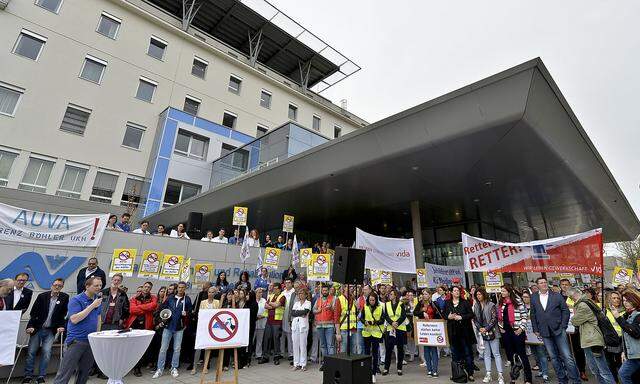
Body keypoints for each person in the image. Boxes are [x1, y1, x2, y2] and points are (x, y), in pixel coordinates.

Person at [530, 277, 581, 384]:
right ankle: (562, 380)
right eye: (541, 283)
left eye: (545, 282)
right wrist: (535, 329)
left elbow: (565, 311)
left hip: (559, 330)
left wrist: (563, 326)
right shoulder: (534, 297)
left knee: (567, 357)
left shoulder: (556, 295)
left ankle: (575, 380)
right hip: (544, 331)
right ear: (537, 285)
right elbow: (533, 314)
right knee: (553, 357)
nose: (543, 284)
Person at [53, 277, 103, 384]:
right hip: (76, 341)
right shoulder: (76, 300)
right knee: (64, 373)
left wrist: (97, 335)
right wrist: (92, 305)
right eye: (96, 285)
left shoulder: (97, 300)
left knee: (84, 373)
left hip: (90, 341)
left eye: (100, 285)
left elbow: (98, 318)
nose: (99, 288)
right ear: (87, 286)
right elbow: (74, 319)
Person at [23, 278, 68, 384]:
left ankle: (41, 376)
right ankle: (28, 376)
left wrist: (61, 326)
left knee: (47, 352)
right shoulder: (42, 296)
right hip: (37, 328)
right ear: (51, 285)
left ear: (62, 287)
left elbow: (63, 314)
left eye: (60, 285)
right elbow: (33, 313)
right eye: (55, 285)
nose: (57, 287)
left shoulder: (64, 297)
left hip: (50, 330)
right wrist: (30, 326)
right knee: (31, 352)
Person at [568, 287, 615, 384]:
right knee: (596, 370)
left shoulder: (582, 305)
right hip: (590, 339)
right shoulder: (587, 301)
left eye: (571, 298)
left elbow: (574, 321)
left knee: (602, 370)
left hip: (593, 339)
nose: (571, 300)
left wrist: (574, 312)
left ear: (573, 296)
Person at [153, 281, 192, 379]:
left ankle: (174, 367)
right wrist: (162, 318)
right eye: (179, 287)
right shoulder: (170, 298)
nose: (181, 289)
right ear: (177, 288)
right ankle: (160, 369)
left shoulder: (187, 299)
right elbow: (162, 309)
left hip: (179, 327)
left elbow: (191, 312)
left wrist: (186, 313)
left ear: (185, 288)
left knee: (177, 349)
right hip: (168, 326)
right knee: (163, 349)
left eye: (183, 287)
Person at [499, 285, 532, 384]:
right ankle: (515, 377)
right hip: (506, 332)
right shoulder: (501, 302)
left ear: (509, 292)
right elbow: (499, 316)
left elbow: (524, 315)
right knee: (511, 355)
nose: (502, 293)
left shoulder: (517, 301)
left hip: (517, 331)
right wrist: (501, 328)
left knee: (522, 355)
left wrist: (521, 328)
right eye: (501, 291)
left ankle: (528, 378)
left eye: (504, 291)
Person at [473, 287, 504, 384]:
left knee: (496, 354)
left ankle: (500, 375)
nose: (478, 296)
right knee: (486, 354)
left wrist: (486, 328)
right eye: (477, 295)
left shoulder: (491, 304)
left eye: (480, 294)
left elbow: (494, 318)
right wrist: (480, 328)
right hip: (482, 333)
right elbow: (475, 319)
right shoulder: (476, 306)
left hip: (493, 332)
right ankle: (488, 374)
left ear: (484, 294)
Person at [126, 281, 157, 377]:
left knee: (141, 348)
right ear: (143, 287)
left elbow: (153, 306)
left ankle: (137, 368)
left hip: (146, 326)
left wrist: (139, 307)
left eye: (148, 287)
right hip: (134, 325)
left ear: (150, 289)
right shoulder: (134, 298)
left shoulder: (153, 298)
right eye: (145, 286)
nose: (146, 288)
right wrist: (145, 308)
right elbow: (132, 310)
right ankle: (132, 366)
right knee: (132, 347)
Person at [445, 285, 476, 381]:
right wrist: (448, 317)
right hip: (453, 332)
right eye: (454, 290)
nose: (456, 292)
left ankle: (470, 373)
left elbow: (471, 314)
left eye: (458, 290)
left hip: (464, 332)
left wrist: (461, 317)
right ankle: (456, 373)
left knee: (467, 353)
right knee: (455, 354)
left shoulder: (465, 302)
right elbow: (444, 314)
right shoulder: (447, 303)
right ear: (451, 292)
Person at [611, 289, 640, 384]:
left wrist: (618, 318)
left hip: (637, 355)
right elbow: (626, 337)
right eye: (623, 301)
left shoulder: (638, 315)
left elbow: (635, 333)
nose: (625, 303)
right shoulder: (627, 315)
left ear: (634, 300)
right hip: (632, 355)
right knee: (631, 376)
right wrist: (624, 351)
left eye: (628, 300)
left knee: (623, 373)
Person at [561, 278, 588, 381]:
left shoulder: (575, 296)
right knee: (566, 351)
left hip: (576, 328)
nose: (564, 286)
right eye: (562, 284)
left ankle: (582, 370)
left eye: (566, 284)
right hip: (564, 327)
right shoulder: (557, 297)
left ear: (570, 285)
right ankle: (570, 371)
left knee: (578, 350)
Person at [522, 289, 550, 382]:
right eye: (523, 297)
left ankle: (545, 372)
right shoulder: (522, 307)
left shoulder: (536, 306)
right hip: (528, 334)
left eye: (526, 297)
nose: (524, 299)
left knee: (541, 353)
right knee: (535, 353)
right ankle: (541, 370)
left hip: (537, 332)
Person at [313, 283, 338, 370]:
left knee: (330, 345)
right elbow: (313, 310)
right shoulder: (318, 299)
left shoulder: (333, 298)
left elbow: (336, 311)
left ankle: (331, 363)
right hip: (320, 326)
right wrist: (317, 310)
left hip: (330, 325)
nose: (324, 292)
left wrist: (331, 307)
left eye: (326, 290)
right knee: (323, 345)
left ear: (328, 291)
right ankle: (325, 362)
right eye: (323, 290)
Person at [260, 283, 286, 365]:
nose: (274, 290)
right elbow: (265, 306)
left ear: (279, 289)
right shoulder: (270, 296)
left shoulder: (282, 297)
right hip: (269, 320)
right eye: (273, 288)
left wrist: (272, 304)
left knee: (276, 339)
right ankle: (265, 357)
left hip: (277, 321)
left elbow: (278, 305)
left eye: (275, 288)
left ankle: (276, 357)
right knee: (266, 338)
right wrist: (273, 305)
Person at [361, 291, 384, 382]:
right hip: (367, 333)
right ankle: (367, 372)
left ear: (376, 300)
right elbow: (361, 317)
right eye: (370, 300)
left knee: (375, 354)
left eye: (373, 300)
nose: (371, 301)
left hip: (376, 334)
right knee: (366, 354)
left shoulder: (380, 307)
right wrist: (364, 322)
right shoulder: (365, 307)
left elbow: (382, 319)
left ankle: (374, 373)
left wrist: (375, 322)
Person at [383, 288, 406, 376]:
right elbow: (386, 316)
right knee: (388, 349)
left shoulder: (401, 304)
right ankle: (386, 368)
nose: (390, 295)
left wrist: (397, 323)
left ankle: (399, 368)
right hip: (390, 329)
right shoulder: (386, 304)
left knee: (400, 349)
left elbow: (403, 316)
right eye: (389, 294)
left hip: (399, 328)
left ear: (395, 295)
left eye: (391, 294)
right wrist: (392, 323)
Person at [604, 290, 624, 383]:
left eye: (618, 298)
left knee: (621, 364)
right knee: (610, 364)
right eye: (614, 298)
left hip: (622, 341)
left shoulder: (624, 310)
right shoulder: (604, 312)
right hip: (609, 341)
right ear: (609, 299)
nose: (616, 300)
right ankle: (616, 381)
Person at [290, 288, 311, 371]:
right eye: (299, 293)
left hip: (303, 326)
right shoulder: (296, 303)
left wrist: (298, 313)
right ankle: (296, 363)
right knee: (295, 344)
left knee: (303, 345)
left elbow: (305, 312)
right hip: (295, 325)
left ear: (306, 295)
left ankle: (303, 364)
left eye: (302, 293)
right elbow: (292, 313)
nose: (300, 295)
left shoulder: (308, 303)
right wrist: (300, 313)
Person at [337, 284, 358, 354]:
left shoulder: (354, 299)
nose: (352, 288)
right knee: (343, 351)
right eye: (350, 287)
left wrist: (358, 308)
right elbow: (336, 317)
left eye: (353, 287)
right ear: (345, 288)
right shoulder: (339, 299)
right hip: (344, 329)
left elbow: (357, 315)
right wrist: (338, 333)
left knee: (353, 351)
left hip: (353, 328)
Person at [281, 278, 296, 362]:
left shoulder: (294, 292)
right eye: (286, 283)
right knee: (282, 335)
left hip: (289, 316)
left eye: (289, 283)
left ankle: (291, 353)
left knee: (290, 335)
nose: (287, 284)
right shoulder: (283, 293)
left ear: (292, 283)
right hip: (282, 316)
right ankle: (282, 352)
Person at [254, 288, 268, 363]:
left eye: (261, 292)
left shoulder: (264, 300)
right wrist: (256, 316)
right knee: (252, 339)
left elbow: (266, 310)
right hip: (254, 322)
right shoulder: (253, 300)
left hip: (262, 321)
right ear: (255, 293)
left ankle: (258, 355)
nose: (260, 294)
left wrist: (262, 316)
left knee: (260, 340)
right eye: (259, 292)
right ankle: (248, 353)